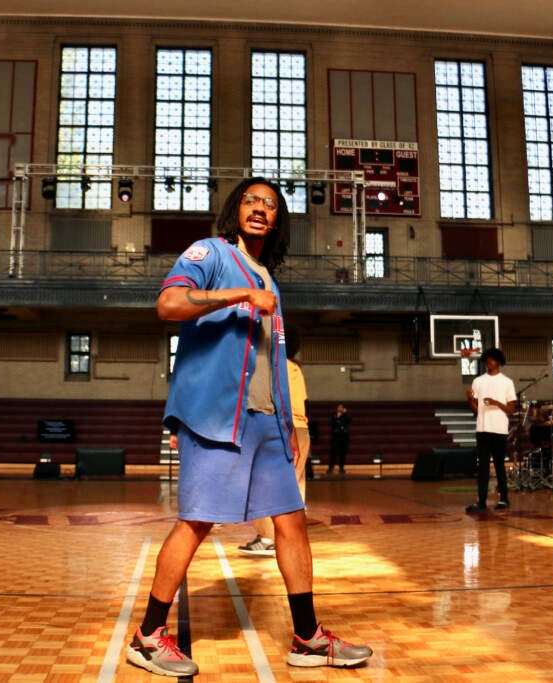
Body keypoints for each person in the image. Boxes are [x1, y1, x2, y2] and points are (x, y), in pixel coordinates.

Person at [125, 177, 371, 677]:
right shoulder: (210, 253)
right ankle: (148, 637)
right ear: (236, 209)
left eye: (271, 204)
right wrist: (239, 295)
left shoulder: (270, 279)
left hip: (268, 425)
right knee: (196, 522)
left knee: (291, 521)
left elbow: (271, 364)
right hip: (218, 420)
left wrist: (289, 427)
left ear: (279, 221)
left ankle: (307, 638)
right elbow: (168, 305)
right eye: (251, 200)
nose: (260, 208)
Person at [239, 324, 310, 557]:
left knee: (270, 484)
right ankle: (283, 536)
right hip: (293, 429)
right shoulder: (292, 368)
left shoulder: (281, 368)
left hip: (287, 429)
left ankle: (270, 538)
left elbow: (284, 403)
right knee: (290, 485)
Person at [465, 348, 517, 512]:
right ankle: (481, 501)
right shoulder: (478, 381)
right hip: (482, 428)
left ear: (499, 362)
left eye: (493, 359)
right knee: (483, 466)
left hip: (499, 429)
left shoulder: (507, 382)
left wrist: (496, 402)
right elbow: (475, 410)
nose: (489, 362)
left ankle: (504, 499)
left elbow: (511, 409)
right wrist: (469, 400)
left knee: (499, 465)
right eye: (487, 359)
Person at [327, 403, 351, 475]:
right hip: (335, 437)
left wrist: (345, 413)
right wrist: (337, 418)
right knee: (333, 453)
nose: (340, 408)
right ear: (337, 408)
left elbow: (349, 420)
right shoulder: (333, 415)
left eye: (341, 407)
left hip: (344, 437)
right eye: (339, 407)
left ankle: (341, 468)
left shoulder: (346, 415)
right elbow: (331, 423)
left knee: (342, 453)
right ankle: (331, 468)